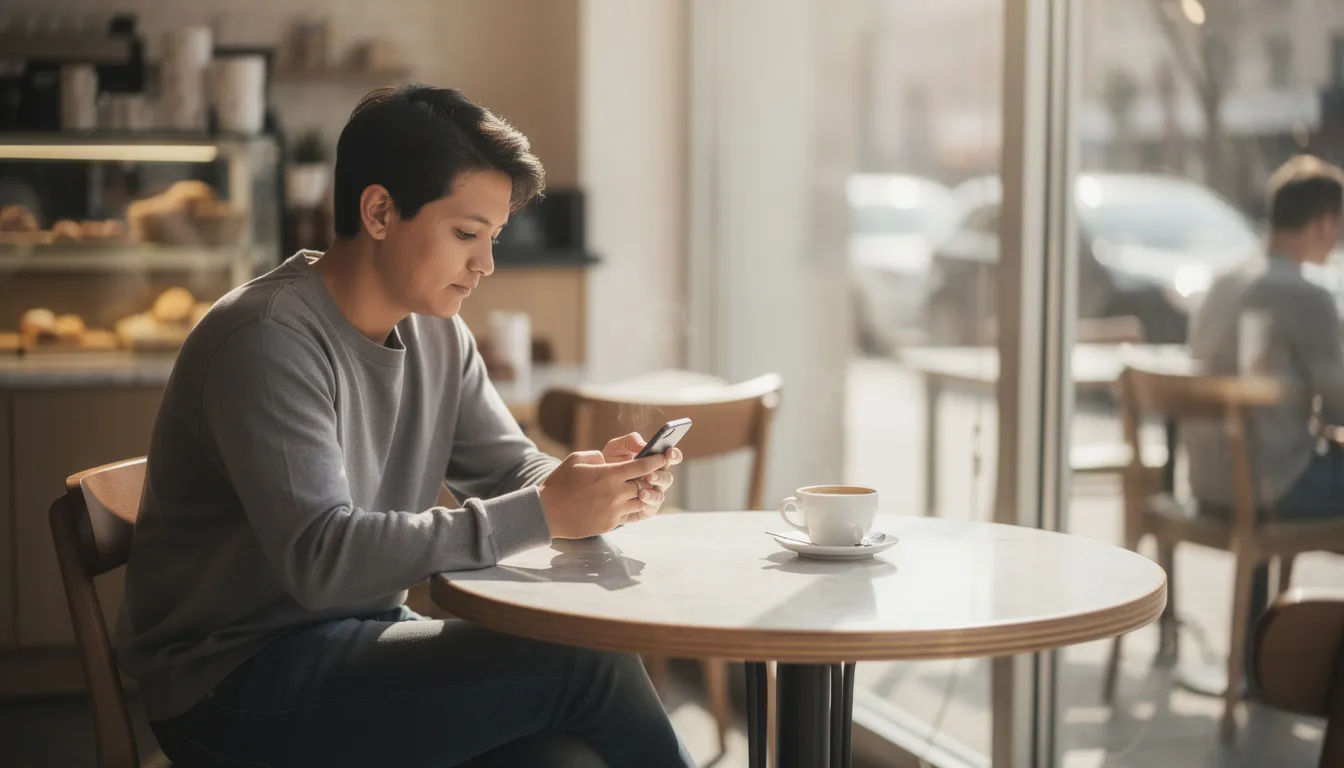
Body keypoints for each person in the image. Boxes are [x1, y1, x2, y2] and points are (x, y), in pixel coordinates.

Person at [115, 85, 695, 768]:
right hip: (232, 685)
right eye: (467, 234)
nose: (486, 264)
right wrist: (544, 512)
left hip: (363, 639)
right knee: (583, 665)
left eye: (494, 238)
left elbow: (514, 470)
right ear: (381, 211)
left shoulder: (437, 335)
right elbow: (323, 559)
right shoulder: (266, 340)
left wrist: (591, 487)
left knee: (563, 759)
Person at [1186, 154, 1344, 677]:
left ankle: (1257, 659)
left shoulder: (1223, 281)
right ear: (1324, 222)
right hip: (1270, 489)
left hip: (1209, 483)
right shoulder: (1306, 294)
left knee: (1273, 449)